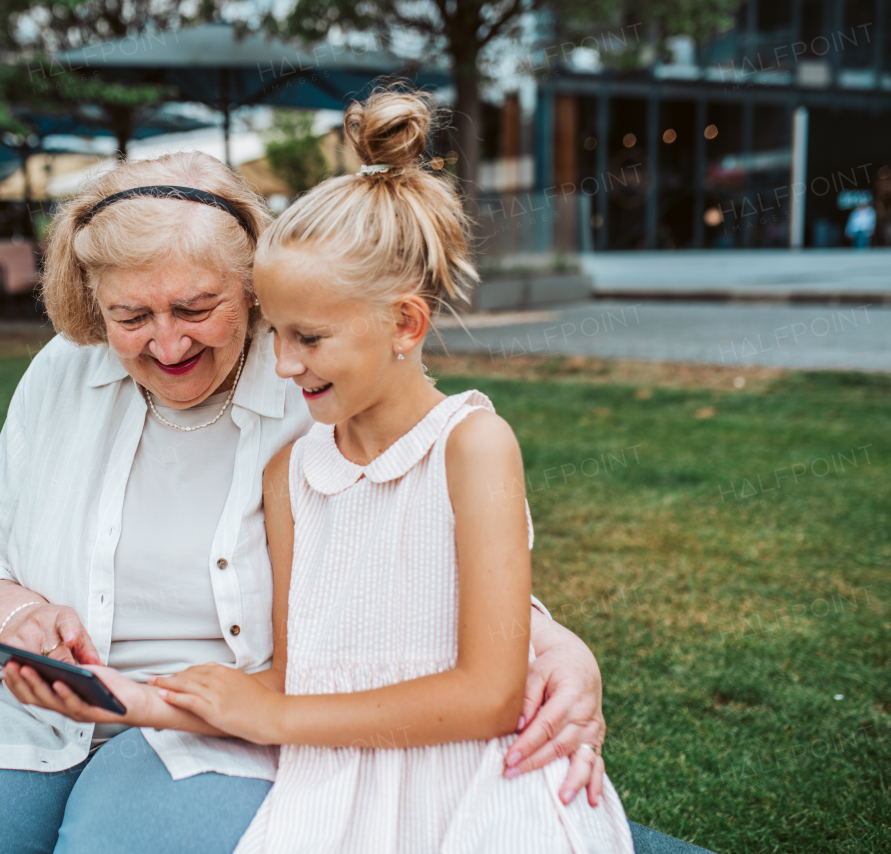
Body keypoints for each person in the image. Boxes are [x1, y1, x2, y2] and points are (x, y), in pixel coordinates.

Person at [0, 149, 662, 854]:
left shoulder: (315, 380)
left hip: (219, 726)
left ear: (254, 286)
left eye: (197, 307)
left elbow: (416, 527)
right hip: (29, 712)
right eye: (131, 315)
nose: (167, 340)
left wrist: (550, 641)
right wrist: (14, 620)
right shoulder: (60, 376)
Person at [128, 89, 634, 853]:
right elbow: (299, 678)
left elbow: (491, 697)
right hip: (336, 796)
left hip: (473, 791)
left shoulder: (473, 446)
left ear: (405, 322)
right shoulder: (290, 476)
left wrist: (279, 720)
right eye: (275, 332)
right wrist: (125, 699)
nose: (284, 362)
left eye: (310, 337)